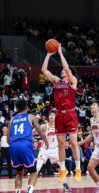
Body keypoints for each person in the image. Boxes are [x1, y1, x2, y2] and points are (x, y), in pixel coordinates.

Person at [41, 43, 81, 183]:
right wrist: (48, 54)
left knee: (74, 142)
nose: (63, 71)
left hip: (70, 114)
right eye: (63, 71)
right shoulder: (56, 81)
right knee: (61, 144)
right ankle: (62, 169)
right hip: (59, 114)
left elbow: (66, 67)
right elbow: (44, 69)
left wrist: (60, 52)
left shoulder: (72, 81)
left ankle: (78, 169)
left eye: (65, 71)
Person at [8, 99, 49, 193]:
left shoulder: (12, 119)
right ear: (27, 107)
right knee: (33, 172)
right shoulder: (31, 117)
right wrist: (46, 142)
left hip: (13, 145)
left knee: (19, 173)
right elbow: (40, 131)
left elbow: (8, 139)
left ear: (16, 108)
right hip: (25, 144)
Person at [35, 110, 71, 192]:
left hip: (55, 150)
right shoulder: (44, 126)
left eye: (53, 115)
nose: (51, 116)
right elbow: (34, 131)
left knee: (63, 168)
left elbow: (64, 136)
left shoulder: (59, 126)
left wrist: (65, 143)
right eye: (50, 114)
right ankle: (30, 188)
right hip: (45, 149)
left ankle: (64, 183)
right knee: (37, 167)